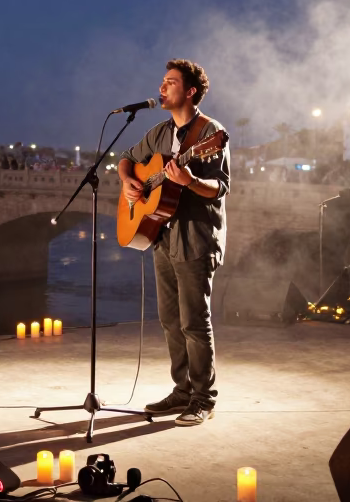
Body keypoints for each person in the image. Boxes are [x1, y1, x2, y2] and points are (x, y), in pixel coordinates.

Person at [119, 59, 230, 427]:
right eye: (163, 82)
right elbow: (126, 160)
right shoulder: (160, 132)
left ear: (190, 91)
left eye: (170, 82)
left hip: (196, 238)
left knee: (194, 322)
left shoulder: (210, 133)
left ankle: (203, 398)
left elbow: (219, 188)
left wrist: (188, 181)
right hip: (162, 237)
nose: (162, 87)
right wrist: (128, 183)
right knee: (170, 319)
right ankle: (181, 390)